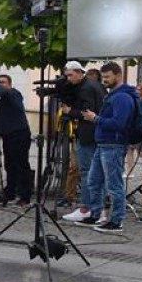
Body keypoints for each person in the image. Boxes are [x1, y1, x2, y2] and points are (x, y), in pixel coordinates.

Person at [77, 61, 140, 233]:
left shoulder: (122, 97)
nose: (103, 80)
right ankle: (96, 214)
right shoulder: (113, 95)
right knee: (93, 181)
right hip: (103, 144)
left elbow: (120, 124)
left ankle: (116, 220)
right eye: (102, 77)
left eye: (107, 77)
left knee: (114, 185)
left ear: (118, 76)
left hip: (114, 144)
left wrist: (96, 119)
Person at [61, 61, 106, 222]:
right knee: (96, 173)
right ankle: (98, 210)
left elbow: (88, 113)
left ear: (80, 72)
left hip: (88, 135)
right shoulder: (95, 85)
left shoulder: (86, 88)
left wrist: (69, 111)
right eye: (67, 75)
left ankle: (88, 208)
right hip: (97, 134)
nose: (68, 79)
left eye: (71, 75)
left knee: (87, 172)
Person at [0, 74, 33, 207]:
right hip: (8, 135)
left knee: (21, 165)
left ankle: (25, 196)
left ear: (9, 84)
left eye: (3, 82)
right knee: (9, 164)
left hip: (19, 134)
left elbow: (4, 91)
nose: (0, 85)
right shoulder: (2, 99)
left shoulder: (14, 93)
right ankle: (10, 191)